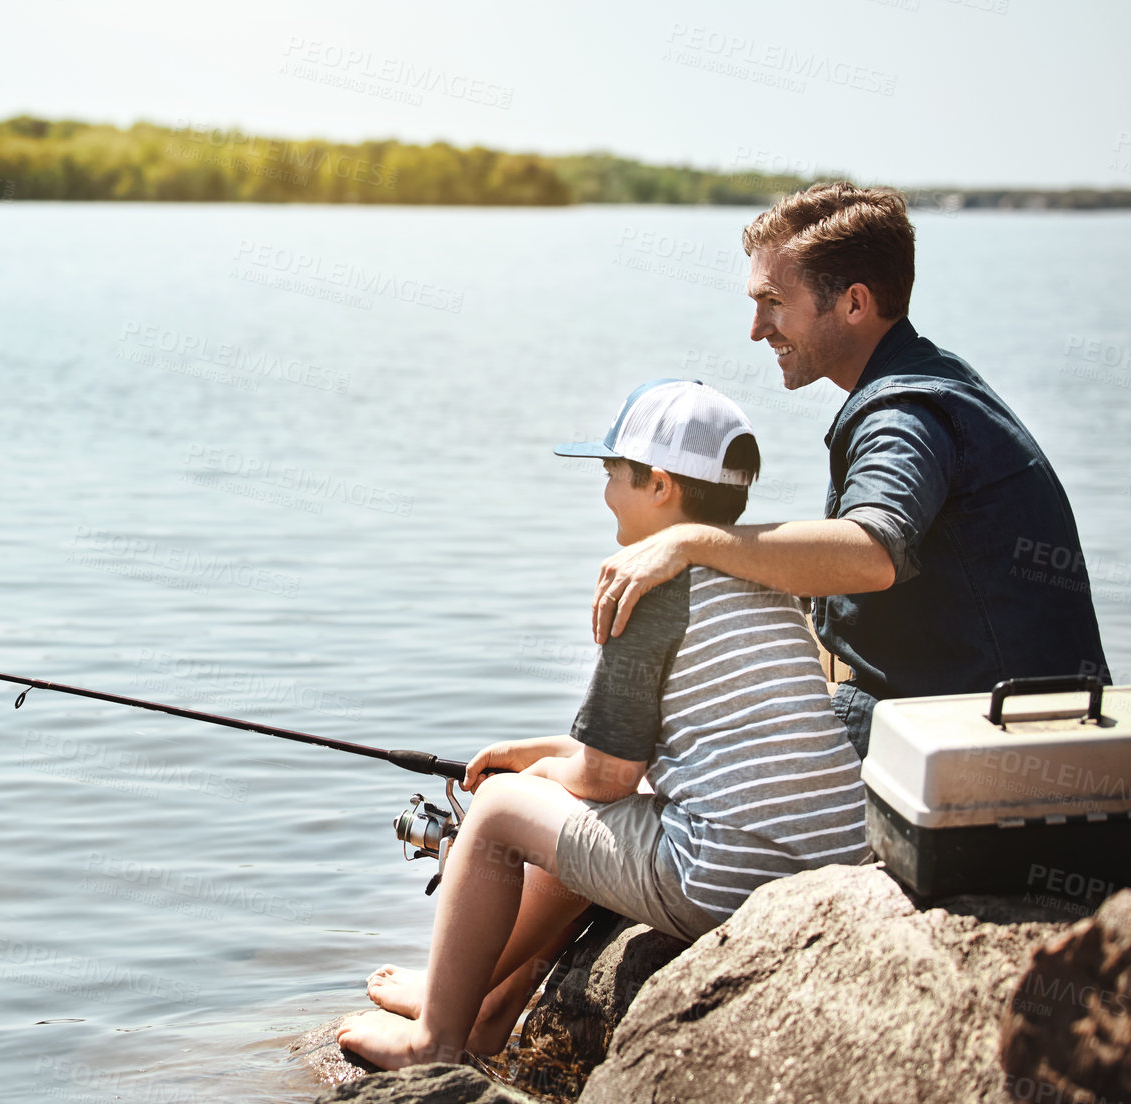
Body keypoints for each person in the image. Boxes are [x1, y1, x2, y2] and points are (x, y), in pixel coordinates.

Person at [337, 380, 868, 1070]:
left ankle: (434, 1039)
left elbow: (606, 779)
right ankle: (484, 1004)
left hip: (732, 877)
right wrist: (540, 753)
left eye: (613, 473)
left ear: (660, 485)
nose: (606, 489)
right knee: (567, 817)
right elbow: (666, 750)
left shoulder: (643, 588)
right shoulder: (767, 572)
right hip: (831, 858)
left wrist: (535, 775)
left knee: (500, 809)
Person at [592, 183, 1111, 756]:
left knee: (675, 756)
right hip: (991, 724)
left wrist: (688, 541)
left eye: (774, 302)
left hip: (985, 744)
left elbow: (870, 551)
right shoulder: (930, 377)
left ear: (855, 304)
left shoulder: (903, 413)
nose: (757, 328)